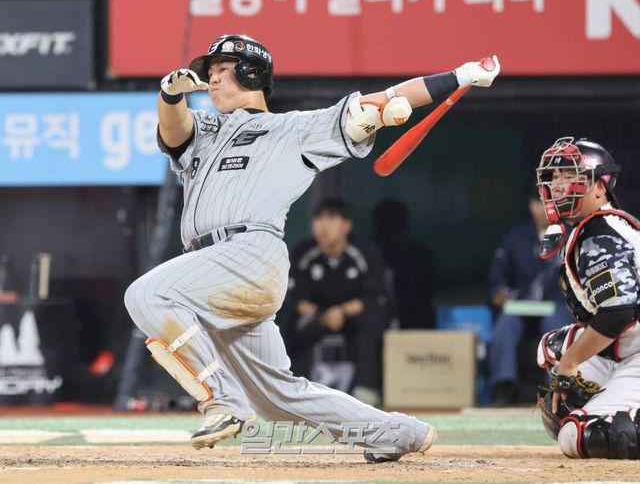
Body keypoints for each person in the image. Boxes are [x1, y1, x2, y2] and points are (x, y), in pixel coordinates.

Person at [123, 33, 499, 462]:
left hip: (248, 252)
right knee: (277, 399)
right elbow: (174, 132)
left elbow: (384, 103)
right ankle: (398, 433)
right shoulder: (208, 130)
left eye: (224, 69)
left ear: (252, 73)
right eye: (210, 73)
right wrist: (169, 95)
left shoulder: (294, 128)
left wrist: (458, 76)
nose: (213, 80)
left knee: (146, 295)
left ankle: (222, 398)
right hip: (213, 267)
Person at [535, 137, 640, 459]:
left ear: (600, 186)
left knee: (582, 436)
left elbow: (619, 312)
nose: (558, 185)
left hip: (634, 347)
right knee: (551, 348)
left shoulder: (602, 231)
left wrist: (570, 365)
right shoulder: (593, 227)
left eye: (570, 176)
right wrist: (565, 362)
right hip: (625, 348)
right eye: (554, 177)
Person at [284, 198, 388, 406]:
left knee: (372, 320)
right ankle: (291, 384)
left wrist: (341, 312)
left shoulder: (365, 252)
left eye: (332, 218)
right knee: (286, 318)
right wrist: (319, 314)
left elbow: (374, 295)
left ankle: (366, 388)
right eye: (319, 219)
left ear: (346, 226)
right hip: (316, 315)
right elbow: (294, 296)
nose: (323, 226)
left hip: (350, 314)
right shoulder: (303, 252)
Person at [488, 194, 573, 406]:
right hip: (522, 304)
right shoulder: (516, 237)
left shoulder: (571, 235)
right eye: (540, 203)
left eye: (550, 203)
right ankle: (503, 387)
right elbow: (498, 277)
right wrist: (500, 293)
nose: (544, 209)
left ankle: (555, 385)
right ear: (532, 205)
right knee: (506, 322)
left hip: (558, 304)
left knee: (556, 325)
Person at [371, 199, 436, 329]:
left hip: (414, 323)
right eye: (388, 223)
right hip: (375, 322)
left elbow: (429, 290)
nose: (392, 229)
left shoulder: (418, 253)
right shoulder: (367, 252)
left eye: (397, 223)